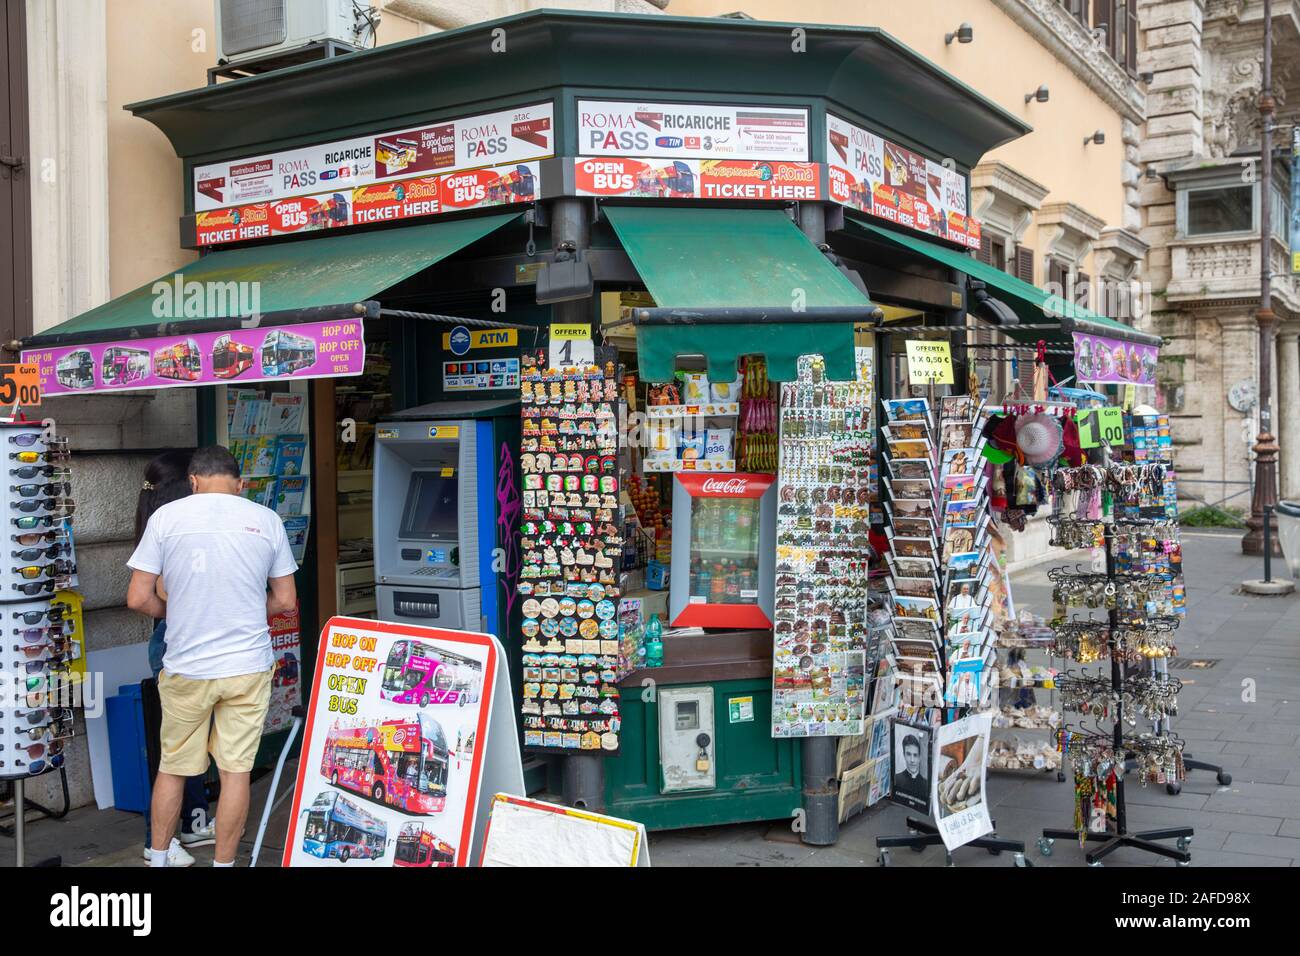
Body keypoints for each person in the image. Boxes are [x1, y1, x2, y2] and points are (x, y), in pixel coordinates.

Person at [127, 446, 298, 867]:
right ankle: (225, 865)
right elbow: (286, 600)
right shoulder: (267, 520)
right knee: (236, 772)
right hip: (247, 667)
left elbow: (136, 598)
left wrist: (176, 610)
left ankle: (162, 857)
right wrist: (242, 609)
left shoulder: (167, 518)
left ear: (194, 481)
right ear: (240, 485)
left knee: (173, 768)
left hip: (188, 667)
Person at [134, 450, 213, 867]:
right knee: (176, 752)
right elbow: (149, 596)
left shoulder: (157, 522)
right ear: (189, 485)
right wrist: (181, 609)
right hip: (175, 646)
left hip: (177, 643)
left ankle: (194, 823)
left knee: (189, 745)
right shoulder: (171, 530)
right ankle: (157, 842)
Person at [893, 733, 930, 808]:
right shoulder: (896, 779)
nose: (912, 760)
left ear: (919, 757)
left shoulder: (926, 785)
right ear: (904, 755)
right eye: (908, 754)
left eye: (915, 755)